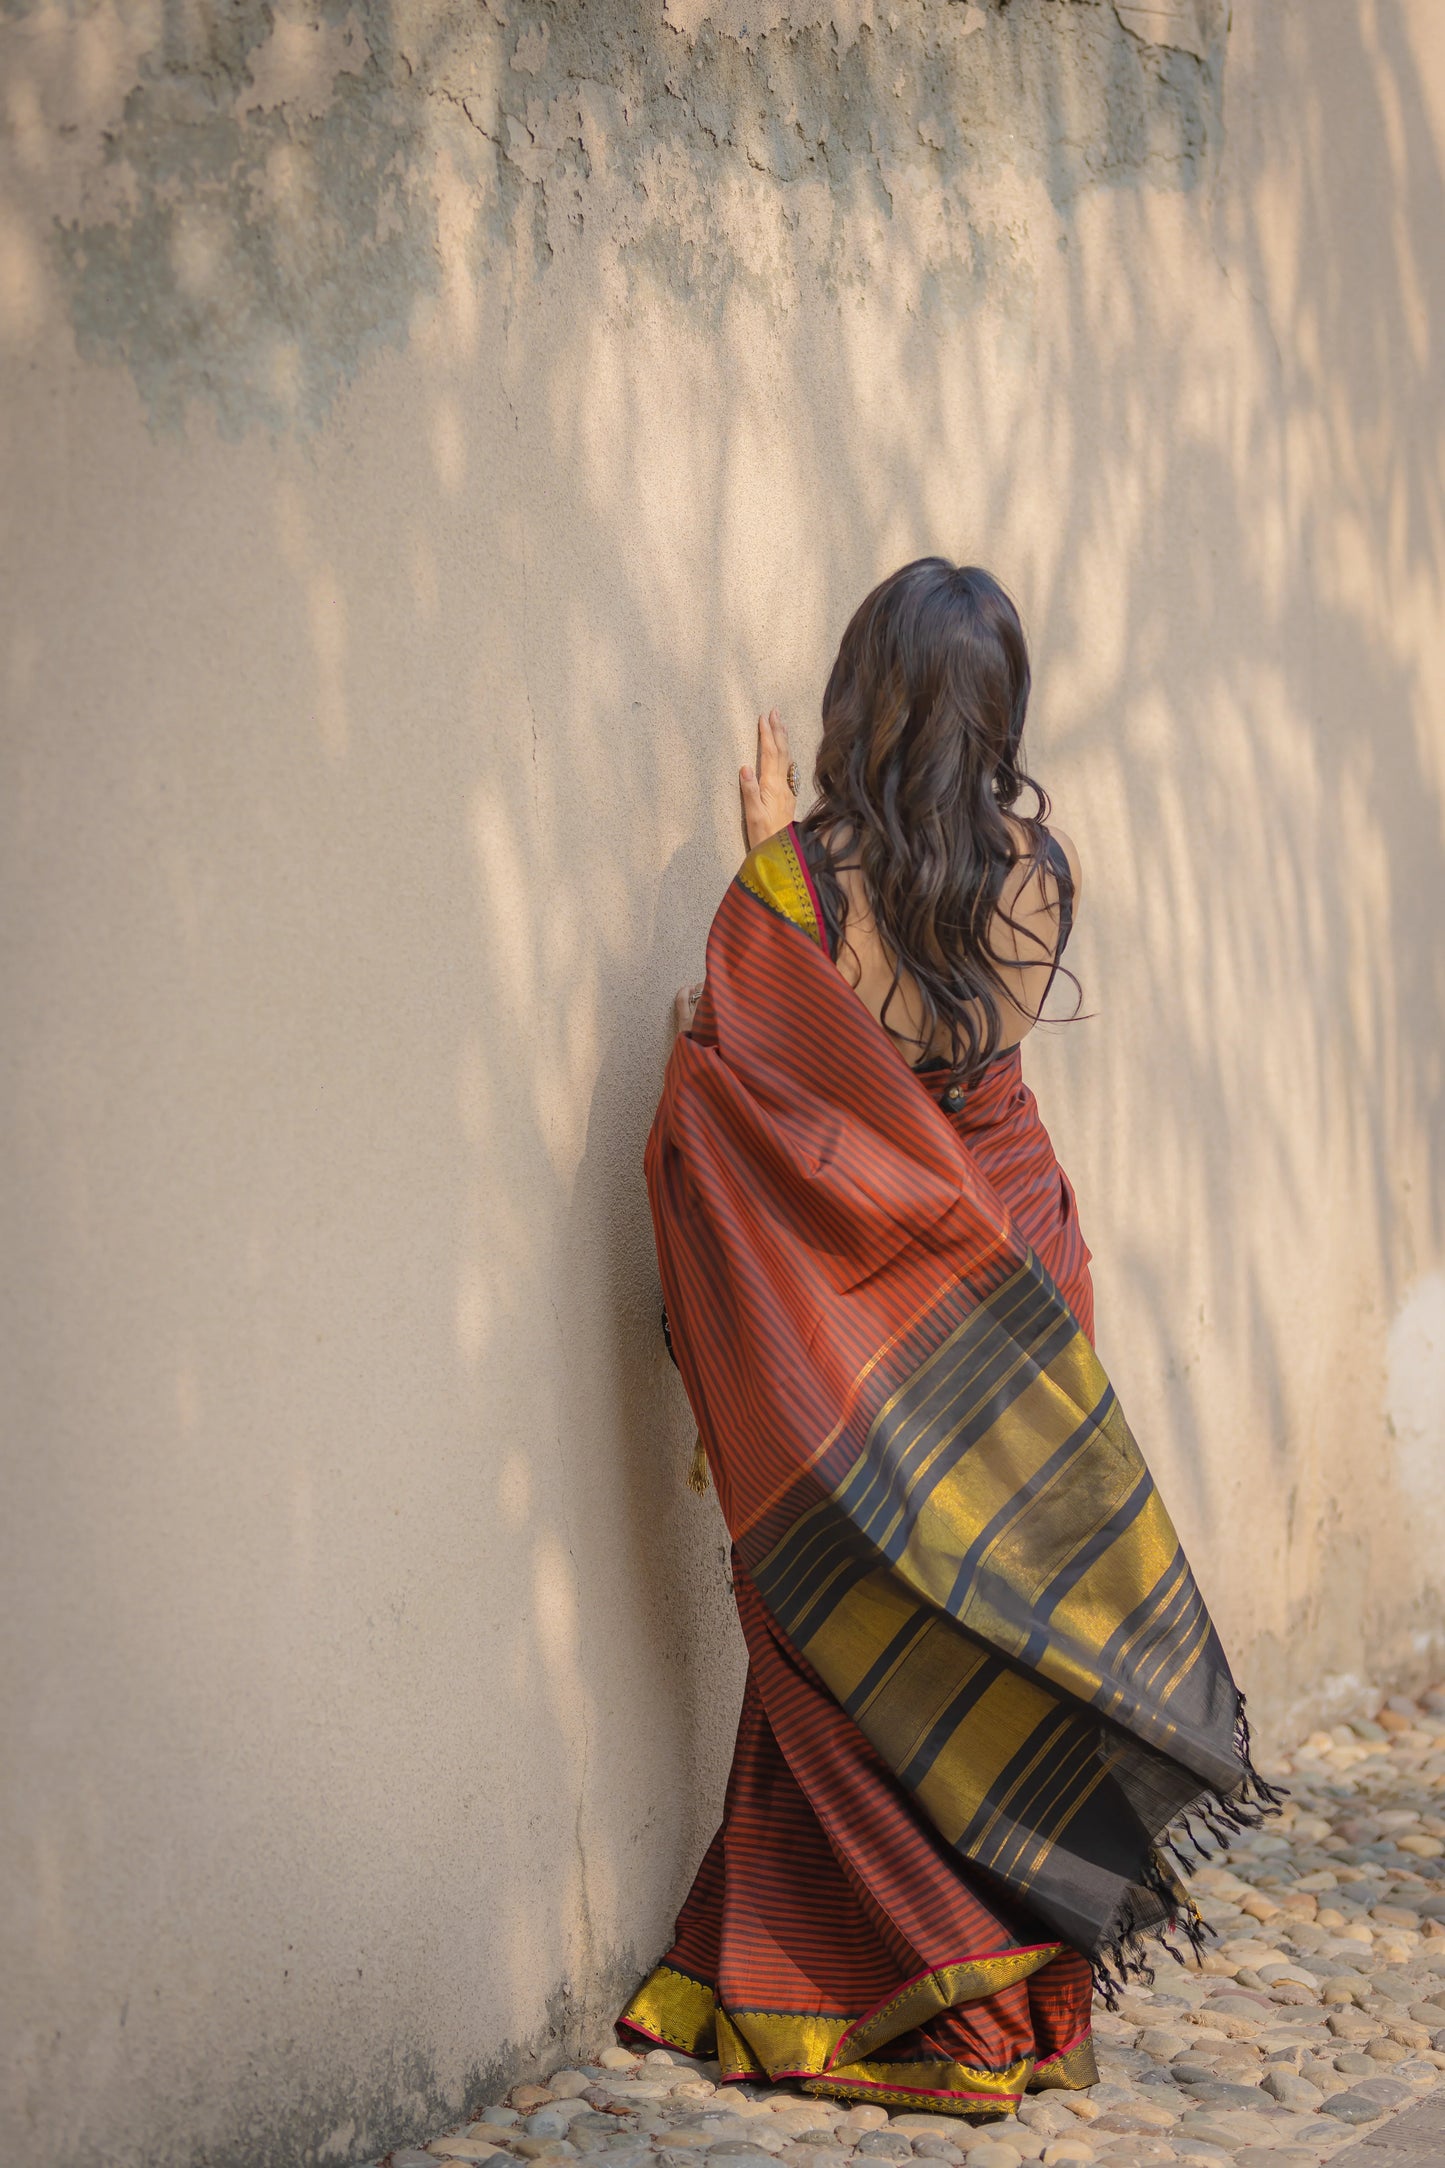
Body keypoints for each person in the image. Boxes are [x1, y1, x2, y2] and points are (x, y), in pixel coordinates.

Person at [619, 560, 1278, 2123]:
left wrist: (771, 868)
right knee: (1007, 1633)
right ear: (1001, 712)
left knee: (852, 1641)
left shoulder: (797, 894)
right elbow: (950, 1065)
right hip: (1020, 1281)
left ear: (862, 694)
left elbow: (770, 1088)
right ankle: (1017, 1993)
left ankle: (882, 2001)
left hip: (872, 1315)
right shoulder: (1041, 869)